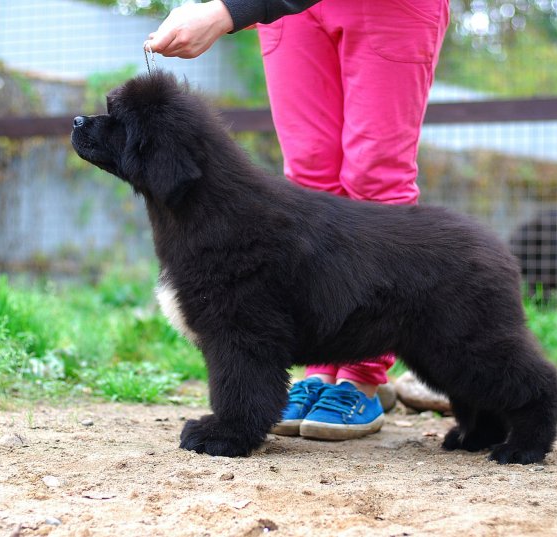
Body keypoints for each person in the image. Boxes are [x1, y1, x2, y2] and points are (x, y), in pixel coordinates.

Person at [145, 0, 450, 441]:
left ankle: (362, 374)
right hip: (294, 13)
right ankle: (322, 369)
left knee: (374, 173)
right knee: (308, 174)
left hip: (389, 10)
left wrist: (228, 10)